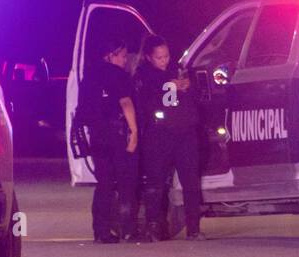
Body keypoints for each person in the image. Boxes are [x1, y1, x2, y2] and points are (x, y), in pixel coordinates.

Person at [135, 35, 204, 241]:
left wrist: (187, 86)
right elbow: (155, 99)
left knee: (191, 182)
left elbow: (193, 97)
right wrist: (170, 85)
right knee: (156, 184)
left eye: (166, 56)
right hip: (159, 136)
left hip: (185, 135)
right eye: (159, 57)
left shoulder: (178, 70)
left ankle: (194, 228)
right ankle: (153, 227)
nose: (164, 60)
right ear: (148, 57)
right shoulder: (143, 76)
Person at [78, 35, 139, 243]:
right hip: (115, 133)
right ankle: (128, 229)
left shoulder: (90, 74)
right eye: (122, 56)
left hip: (96, 134)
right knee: (125, 181)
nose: (125, 60)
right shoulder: (118, 75)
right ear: (110, 55)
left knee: (103, 183)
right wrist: (134, 132)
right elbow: (126, 103)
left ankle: (101, 231)